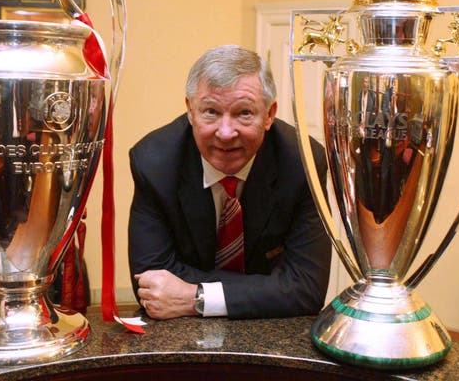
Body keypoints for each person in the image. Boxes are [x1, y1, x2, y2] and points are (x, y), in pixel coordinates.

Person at [128, 45, 331, 320]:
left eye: (244, 113)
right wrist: (268, 287)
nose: (225, 133)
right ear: (190, 110)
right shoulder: (153, 163)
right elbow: (151, 283)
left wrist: (196, 297)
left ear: (269, 114)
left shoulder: (303, 162)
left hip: (269, 335)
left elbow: (307, 288)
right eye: (210, 111)